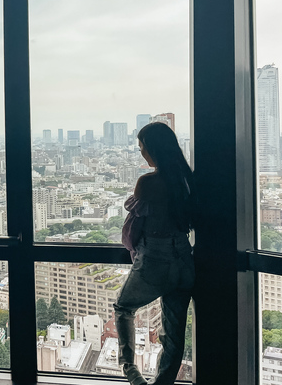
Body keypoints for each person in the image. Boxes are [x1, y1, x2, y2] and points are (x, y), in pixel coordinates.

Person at [115, 122, 195, 385]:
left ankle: (131, 371)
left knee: (123, 307)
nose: (141, 153)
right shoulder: (187, 179)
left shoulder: (147, 183)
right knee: (173, 335)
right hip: (185, 259)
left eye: (142, 148)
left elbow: (134, 225)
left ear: (153, 149)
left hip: (155, 259)